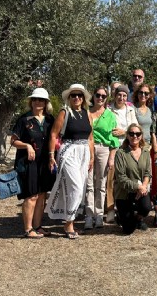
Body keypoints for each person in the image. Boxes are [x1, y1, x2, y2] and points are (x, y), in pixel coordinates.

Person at [47, 84, 94, 239]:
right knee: (76, 186)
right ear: (69, 97)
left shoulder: (87, 114)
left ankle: (69, 219)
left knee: (79, 189)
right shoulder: (64, 112)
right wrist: (51, 155)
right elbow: (54, 134)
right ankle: (69, 223)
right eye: (73, 95)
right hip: (69, 151)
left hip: (84, 152)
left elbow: (90, 137)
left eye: (79, 95)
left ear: (83, 98)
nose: (77, 98)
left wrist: (92, 156)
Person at [10, 88, 55, 238]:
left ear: (46, 102)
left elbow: (55, 139)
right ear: (31, 101)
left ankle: (38, 226)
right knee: (31, 195)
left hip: (45, 162)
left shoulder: (50, 120)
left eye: (41, 100)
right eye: (35, 99)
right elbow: (13, 141)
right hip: (28, 163)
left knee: (42, 194)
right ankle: (28, 229)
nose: (38, 102)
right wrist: (27, 145)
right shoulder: (24, 119)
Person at [85, 86, 120, 229]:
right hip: (88, 148)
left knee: (101, 182)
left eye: (103, 96)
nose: (100, 98)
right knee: (89, 183)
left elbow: (114, 139)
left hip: (104, 148)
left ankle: (99, 215)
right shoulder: (86, 113)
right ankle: (88, 215)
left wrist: (112, 157)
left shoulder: (110, 115)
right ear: (93, 96)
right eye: (98, 95)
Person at [114, 124, 152, 234]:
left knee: (146, 207)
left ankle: (138, 218)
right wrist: (138, 187)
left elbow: (148, 173)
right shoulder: (120, 153)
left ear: (141, 136)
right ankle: (121, 216)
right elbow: (121, 178)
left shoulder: (145, 152)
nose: (134, 136)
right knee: (128, 230)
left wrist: (143, 187)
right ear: (127, 136)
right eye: (131, 133)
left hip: (141, 190)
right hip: (124, 193)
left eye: (137, 134)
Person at [108, 84, 138, 222]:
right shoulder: (108, 110)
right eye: (119, 95)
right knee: (111, 179)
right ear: (115, 95)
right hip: (113, 147)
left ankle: (124, 208)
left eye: (124, 95)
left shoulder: (130, 110)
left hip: (127, 148)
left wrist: (124, 132)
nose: (121, 97)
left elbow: (135, 129)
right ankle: (109, 209)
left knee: (125, 178)